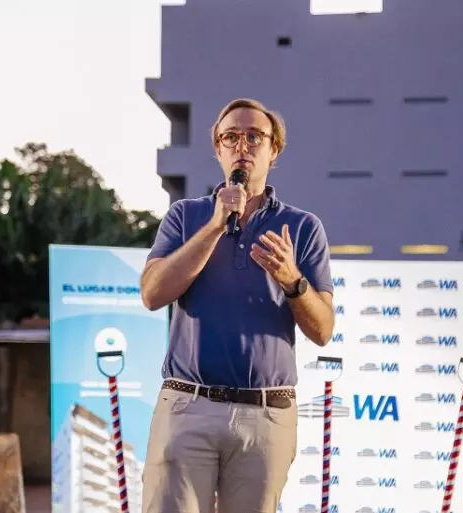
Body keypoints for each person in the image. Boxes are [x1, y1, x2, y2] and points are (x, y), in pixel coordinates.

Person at [139, 98, 335, 513]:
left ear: (274, 149)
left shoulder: (303, 227)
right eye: (230, 136)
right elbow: (152, 294)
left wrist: (292, 280)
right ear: (217, 149)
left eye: (254, 136)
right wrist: (214, 226)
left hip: (266, 415)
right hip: (187, 406)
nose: (241, 145)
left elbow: (322, 331)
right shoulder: (185, 216)